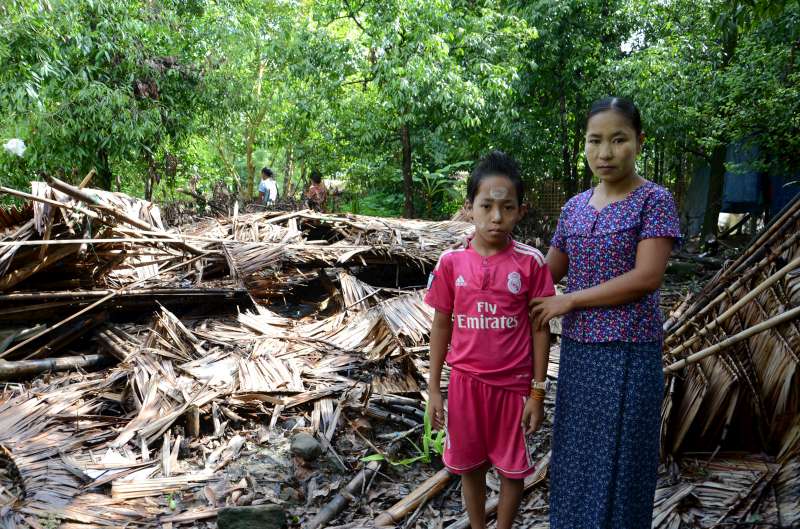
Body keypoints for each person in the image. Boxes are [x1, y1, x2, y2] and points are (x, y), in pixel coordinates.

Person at [529, 97, 682, 529]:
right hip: (578, 355)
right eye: (595, 141)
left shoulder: (654, 200)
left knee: (623, 459)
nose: (605, 152)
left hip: (629, 353)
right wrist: (493, 269)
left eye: (619, 140)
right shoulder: (574, 207)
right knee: (577, 455)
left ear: (639, 141)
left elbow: (646, 278)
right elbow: (549, 270)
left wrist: (571, 300)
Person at [426, 151, 555, 529]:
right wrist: (435, 389)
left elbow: (540, 329)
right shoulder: (450, 263)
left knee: (512, 469)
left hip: (513, 387)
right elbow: (441, 325)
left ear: (521, 210)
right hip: (465, 384)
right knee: (471, 465)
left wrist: (537, 392)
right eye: (487, 206)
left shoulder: (531, 263)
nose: (496, 217)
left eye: (507, 207)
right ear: (469, 208)